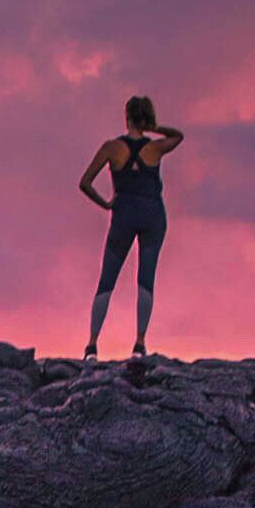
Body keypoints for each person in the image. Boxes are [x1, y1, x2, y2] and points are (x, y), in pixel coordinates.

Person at [78, 95, 183, 359]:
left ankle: (92, 345)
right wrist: (153, 127)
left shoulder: (112, 148)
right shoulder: (155, 148)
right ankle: (139, 343)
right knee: (146, 279)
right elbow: (178, 136)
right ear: (146, 118)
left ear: (126, 116)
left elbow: (85, 182)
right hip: (152, 214)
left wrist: (106, 204)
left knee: (107, 278)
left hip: (123, 214)